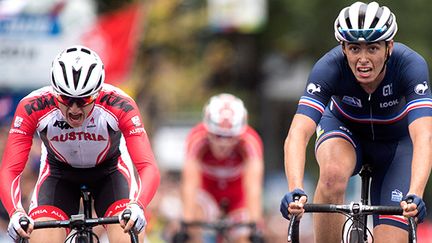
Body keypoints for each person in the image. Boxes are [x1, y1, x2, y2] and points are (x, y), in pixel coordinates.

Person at [279, 2, 431, 243]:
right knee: (331, 175)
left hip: (396, 146)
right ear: (343, 48)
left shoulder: (410, 65)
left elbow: (423, 135)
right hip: (344, 133)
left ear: (388, 47)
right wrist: (295, 189)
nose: (363, 59)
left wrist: (415, 193)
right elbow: (298, 133)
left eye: (372, 48)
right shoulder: (328, 67)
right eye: (354, 48)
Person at [0, 45, 160, 243]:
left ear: (98, 92)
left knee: (127, 236)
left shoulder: (119, 104)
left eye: (84, 99)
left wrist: (139, 205)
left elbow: (147, 166)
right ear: (54, 91)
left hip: (109, 173)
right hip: (59, 175)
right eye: (65, 98)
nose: (74, 109)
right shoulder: (32, 106)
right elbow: (10, 169)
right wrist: (15, 212)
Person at [179, 93, 264, 243]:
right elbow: (190, 184)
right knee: (194, 227)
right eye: (217, 135)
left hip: (237, 196)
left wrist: (254, 225)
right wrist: (186, 223)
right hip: (207, 193)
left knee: (244, 238)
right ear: (207, 129)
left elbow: (253, 188)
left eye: (230, 137)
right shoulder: (197, 138)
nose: (223, 144)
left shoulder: (250, 141)